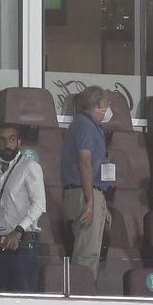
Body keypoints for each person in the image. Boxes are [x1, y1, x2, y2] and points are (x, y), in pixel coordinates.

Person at [0, 123, 46, 293]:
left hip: (24, 243)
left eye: (12, 139)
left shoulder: (30, 167)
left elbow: (39, 204)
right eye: (2, 140)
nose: (7, 145)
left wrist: (19, 230)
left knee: (24, 301)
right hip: (1, 245)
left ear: (19, 142)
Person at [61, 86, 114, 274]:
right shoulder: (84, 124)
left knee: (92, 252)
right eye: (108, 101)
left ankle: (85, 290)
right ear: (100, 103)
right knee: (86, 254)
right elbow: (84, 162)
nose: (109, 106)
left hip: (91, 193)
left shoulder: (92, 126)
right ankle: (80, 294)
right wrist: (90, 201)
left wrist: (102, 204)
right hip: (84, 194)